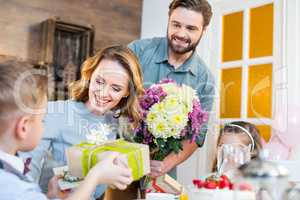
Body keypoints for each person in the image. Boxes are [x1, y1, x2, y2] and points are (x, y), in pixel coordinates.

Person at [20, 45, 144, 198]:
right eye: (99, 81)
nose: (103, 93)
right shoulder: (53, 113)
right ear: (90, 75)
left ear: (126, 92)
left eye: (116, 88)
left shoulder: (116, 124)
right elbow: (24, 178)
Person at [128, 0, 215, 179]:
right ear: (168, 21)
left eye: (191, 28)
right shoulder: (137, 51)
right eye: (176, 25)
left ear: (204, 30)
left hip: (159, 175)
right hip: (117, 163)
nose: (181, 34)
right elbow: (108, 94)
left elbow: (196, 137)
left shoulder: (205, 80)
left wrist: (162, 166)